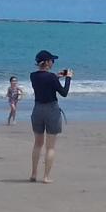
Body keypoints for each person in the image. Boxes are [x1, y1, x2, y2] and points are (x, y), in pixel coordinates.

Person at [29, 50, 72, 183]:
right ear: (47, 62)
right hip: (51, 109)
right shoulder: (51, 77)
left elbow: (44, 82)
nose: (53, 62)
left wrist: (57, 77)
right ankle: (46, 176)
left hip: (37, 109)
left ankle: (33, 174)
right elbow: (64, 93)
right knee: (50, 146)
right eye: (51, 60)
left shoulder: (33, 76)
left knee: (37, 143)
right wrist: (68, 78)